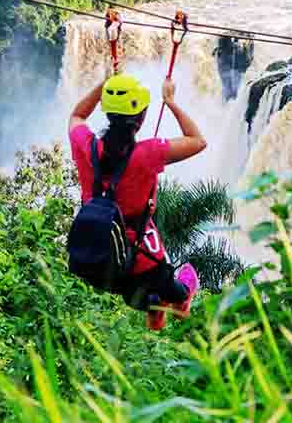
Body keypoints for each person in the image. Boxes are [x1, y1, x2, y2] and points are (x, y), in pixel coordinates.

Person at [68, 73, 207, 330]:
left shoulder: (85, 146)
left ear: (107, 112)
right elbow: (198, 141)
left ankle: (154, 308)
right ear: (141, 119)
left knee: (139, 291)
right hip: (140, 264)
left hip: (96, 259)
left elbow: (77, 116)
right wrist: (171, 101)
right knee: (175, 285)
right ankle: (176, 301)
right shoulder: (148, 153)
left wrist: (104, 85)